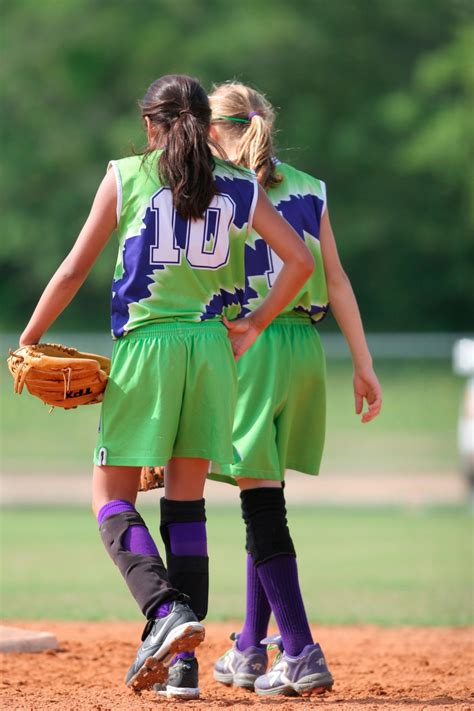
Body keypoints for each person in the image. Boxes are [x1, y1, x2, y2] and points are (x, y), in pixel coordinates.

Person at [18, 75, 314, 698]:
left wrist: (29, 337)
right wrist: (256, 323)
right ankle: (182, 668)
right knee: (186, 503)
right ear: (208, 125)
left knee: (110, 496)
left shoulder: (127, 174)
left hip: (147, 348)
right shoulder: (236, 182)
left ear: (151, 125)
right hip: (212, 350)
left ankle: (164, 611)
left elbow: (74, 269)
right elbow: (301, 261)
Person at [207, 82, 383, 698]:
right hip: (306, 351)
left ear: (209, 131)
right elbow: (335, 280)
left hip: (250, 344)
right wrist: (362, 363)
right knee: (265, 494)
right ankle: (252, 647)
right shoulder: (310, 186)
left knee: (260, 504)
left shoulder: (221, 189)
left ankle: (301, 649)